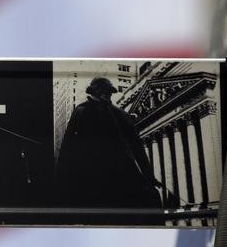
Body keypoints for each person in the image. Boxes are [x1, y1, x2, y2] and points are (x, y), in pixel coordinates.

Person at [56, 77, 161, 208]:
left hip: (118, 174)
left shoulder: (120, 114)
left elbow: (137, 147)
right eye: (103, 91)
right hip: (93, 176)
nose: (106, 95)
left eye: (108, 92)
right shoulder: (82, 111)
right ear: (94, 92)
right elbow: (69, 147)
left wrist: (149, 176)